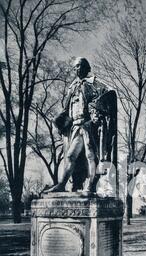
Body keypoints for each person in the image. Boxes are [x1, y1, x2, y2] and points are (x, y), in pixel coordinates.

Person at [45, 57, 109, 194]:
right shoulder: (72, 87)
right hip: (74, 127)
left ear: (86, 68)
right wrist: (59, 121)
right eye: (75, 67)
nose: (76, 69)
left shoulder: (94, 84)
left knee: (91, 155)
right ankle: (62, 185)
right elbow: (66, 108)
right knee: (70, 156)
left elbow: (103, 100)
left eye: (79, 66)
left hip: (88, 125)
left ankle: (91, 186)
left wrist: (96, 116)